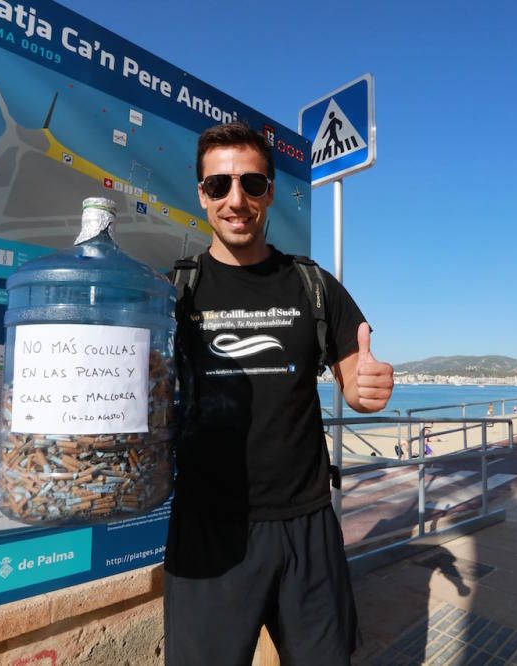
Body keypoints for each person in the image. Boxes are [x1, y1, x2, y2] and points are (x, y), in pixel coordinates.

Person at [163, 122, 395, 665]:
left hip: (307, 523)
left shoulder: (312, 285)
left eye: (252, 183)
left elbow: (354, 381)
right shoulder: (174, 291)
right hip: (208, 526)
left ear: (270, 190)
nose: (236, 200)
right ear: (201, 194)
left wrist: (367, 389)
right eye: (219, 186)